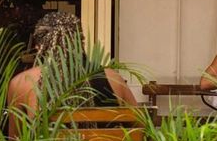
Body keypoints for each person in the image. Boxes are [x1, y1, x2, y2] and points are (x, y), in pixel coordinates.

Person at [8, 10, 136, 116]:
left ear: (39, 48)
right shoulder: (113, 79)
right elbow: (140, 130)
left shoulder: (21, 83)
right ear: (81, 41)